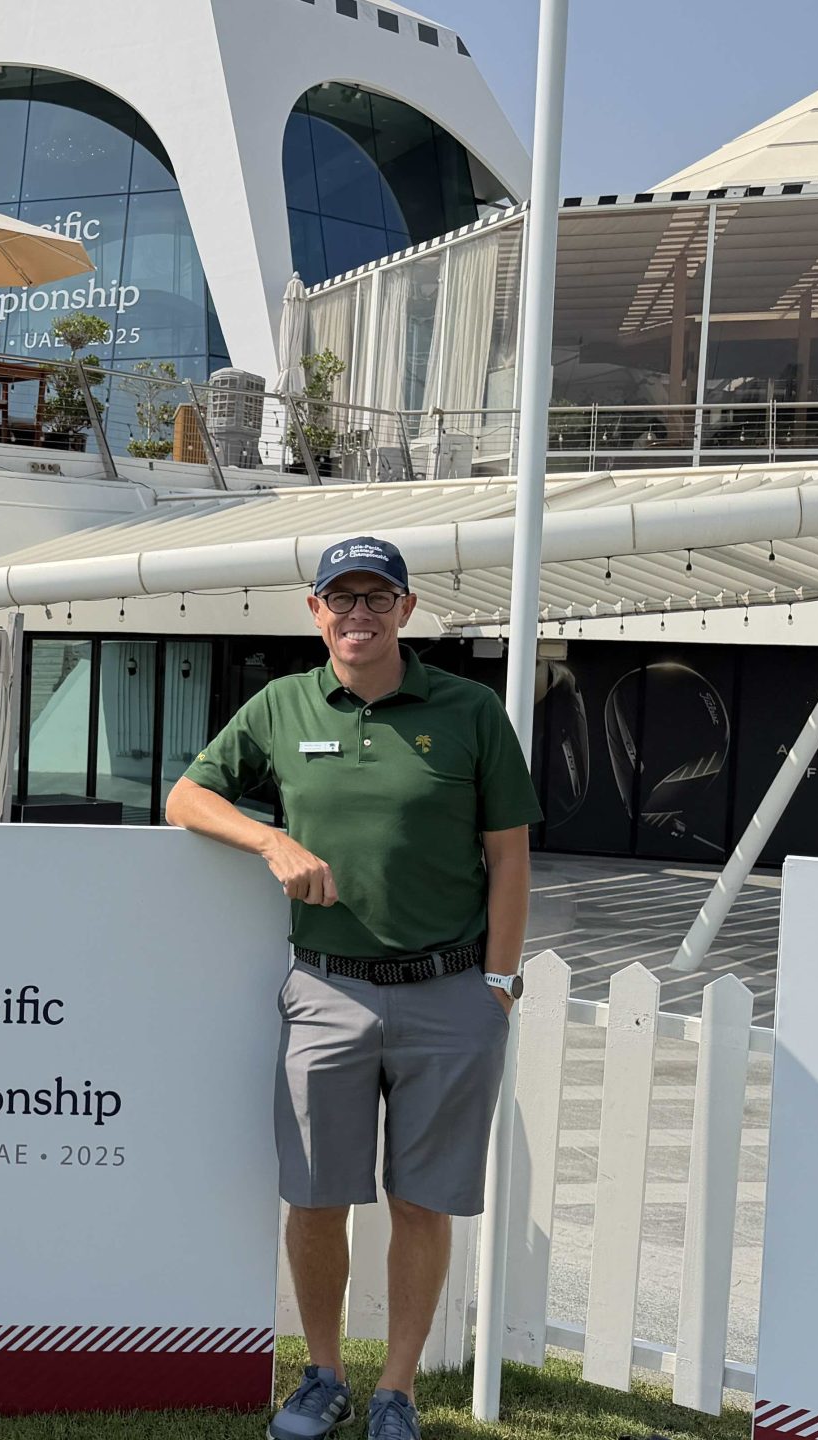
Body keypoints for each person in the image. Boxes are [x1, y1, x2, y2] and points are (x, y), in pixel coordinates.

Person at [164, 535, 539, 1440]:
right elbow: (185, 796)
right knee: (318, 1195)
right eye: (343, 599)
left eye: (378, 599)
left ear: (408, 611)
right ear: (315, 610)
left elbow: (510, 857)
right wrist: (271, 840)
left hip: (450, 994)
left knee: (421, 1200)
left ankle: (396, 1392)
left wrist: (500, 983)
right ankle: (322, 1375)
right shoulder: (282, 706)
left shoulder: (471, 711)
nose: (359, 616)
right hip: (326, 991)